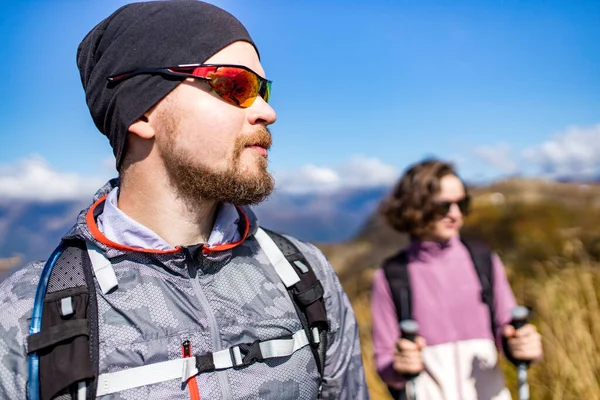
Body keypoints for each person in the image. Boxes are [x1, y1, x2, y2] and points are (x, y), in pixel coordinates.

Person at [0, 1, 368, 399]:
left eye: (263, 90)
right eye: (236, 86)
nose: (267, 111)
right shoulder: (24, 318)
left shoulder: (306, 276)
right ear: (141, 110)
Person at [370, 159, 543, 399]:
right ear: (415, 206)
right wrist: (400, 365)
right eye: (443, 206)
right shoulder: (391, 275)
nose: (455, 214)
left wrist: (523, 346)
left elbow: (507, 333)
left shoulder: (484, 260)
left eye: (462, 203)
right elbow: (385, 363)